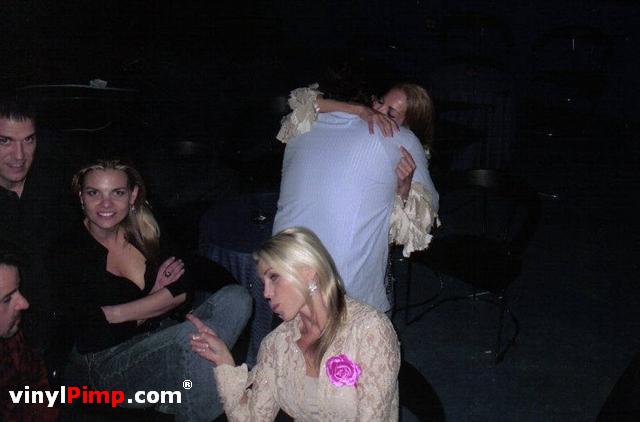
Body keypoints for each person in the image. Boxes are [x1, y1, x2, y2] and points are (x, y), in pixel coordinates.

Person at [53, 159, 252, 421]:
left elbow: (184, 285)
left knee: (238, 298)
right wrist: (158, 300)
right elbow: (92, 335)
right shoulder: (66, 251)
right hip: (107, 365)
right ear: (81, 197)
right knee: (193, 339)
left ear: (133, 195)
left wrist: (114, 313)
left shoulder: (144, 227)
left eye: (117, 193)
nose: (105, 204)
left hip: (161, 335)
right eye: (94, 193)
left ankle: (184, 386)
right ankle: (191, 391)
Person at [189, 227, 401, 421]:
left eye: (274, 277)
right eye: (263, 283)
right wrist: (224, 361)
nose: (266, 293)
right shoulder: (276, 344)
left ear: (308, 272)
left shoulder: (369, 330)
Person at [272, 83, 439, 312]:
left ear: (409, 125)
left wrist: (404, 188)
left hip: (281, 267)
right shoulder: (399, 137)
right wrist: (360, 110)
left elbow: (301, 104)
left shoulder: (320, 120)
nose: (378, 112)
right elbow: (419, 227)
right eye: (380, 102)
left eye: (391, 113)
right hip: (341, 290)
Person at [0, 96, 72, 354]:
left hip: (70, 332)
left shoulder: (56, 183)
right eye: (5, 141)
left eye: (28, 140)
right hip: (14, 345)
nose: (19, 155)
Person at [0, 244, 59, 421]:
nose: (24, 303)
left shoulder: (11, 339)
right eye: (7, 299)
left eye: (18, 289)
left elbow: (35, 381)